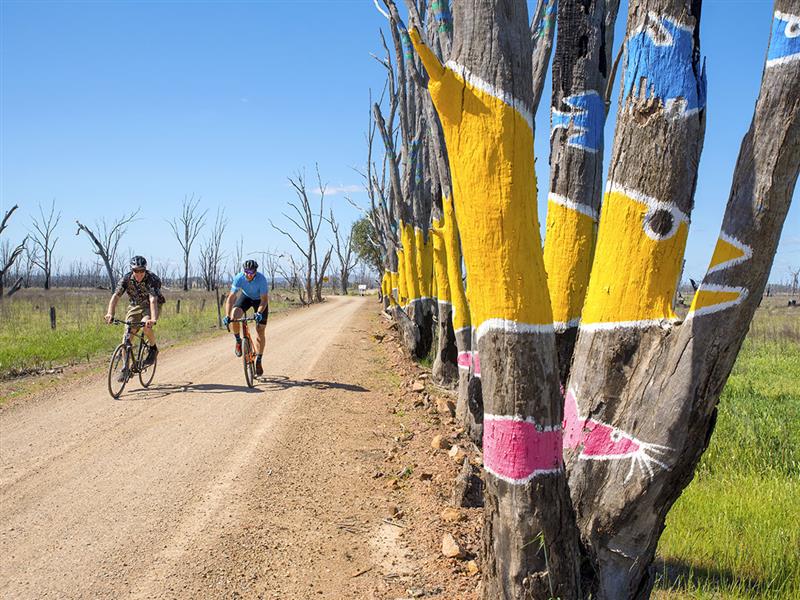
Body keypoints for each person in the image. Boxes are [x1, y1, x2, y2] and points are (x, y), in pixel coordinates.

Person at [105, 256, 162, 377]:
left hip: (150, 306)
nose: (139, 273)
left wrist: (153, 319)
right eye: (136, 270)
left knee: (146, 326)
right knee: (127, 337)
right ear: (132, 270)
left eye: (142, 270)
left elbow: (153, 300)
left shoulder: (152, 279)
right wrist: (110, 313)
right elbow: (115, 296)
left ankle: (153, 348)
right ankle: (125, 368)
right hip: (135, 306)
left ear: (145, 269)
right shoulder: (126, 279)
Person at [223, 259, 269, 376]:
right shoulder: (239, 277)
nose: (249, 274)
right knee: (234, 315)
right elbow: (231, 298)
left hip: (260, 300)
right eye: (247, 271)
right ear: (244, 271)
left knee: (260, 330)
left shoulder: (261, 279)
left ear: (255, 271)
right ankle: (238, 341)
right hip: (246, 297)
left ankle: (258, 359)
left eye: (252, 272)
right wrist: (227, 316)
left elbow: (264, 300)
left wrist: (258, 313)